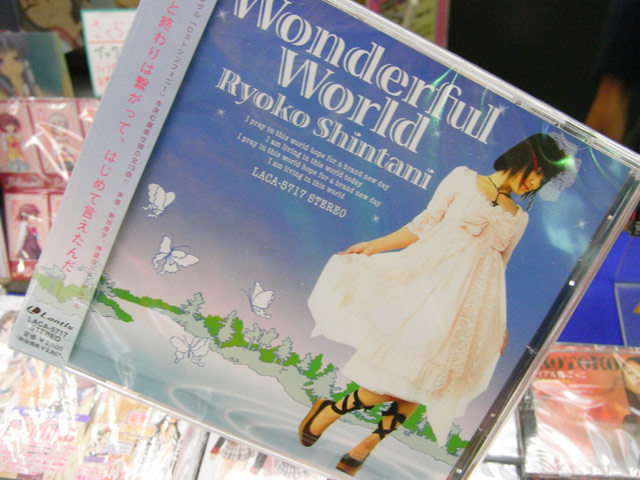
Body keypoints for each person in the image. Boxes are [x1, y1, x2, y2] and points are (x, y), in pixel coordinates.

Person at [298, 133, 574, 476]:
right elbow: (423, 225)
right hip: (430, 287)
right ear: (525, 161)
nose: (535, 184)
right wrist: (375, 245)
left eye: (542, 180)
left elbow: (499, 268)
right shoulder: (463, 179)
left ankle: (367, 443)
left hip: (470, 306)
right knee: (407, 374)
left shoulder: (519, 217)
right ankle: (333, 410)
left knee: (431, 380)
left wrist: (497, 323)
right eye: (538, 174)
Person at [0, 33, 42, 99]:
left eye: (16, 59)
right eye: (1, 61)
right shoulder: (2, 92)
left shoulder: (33, 88)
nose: (10, 65)